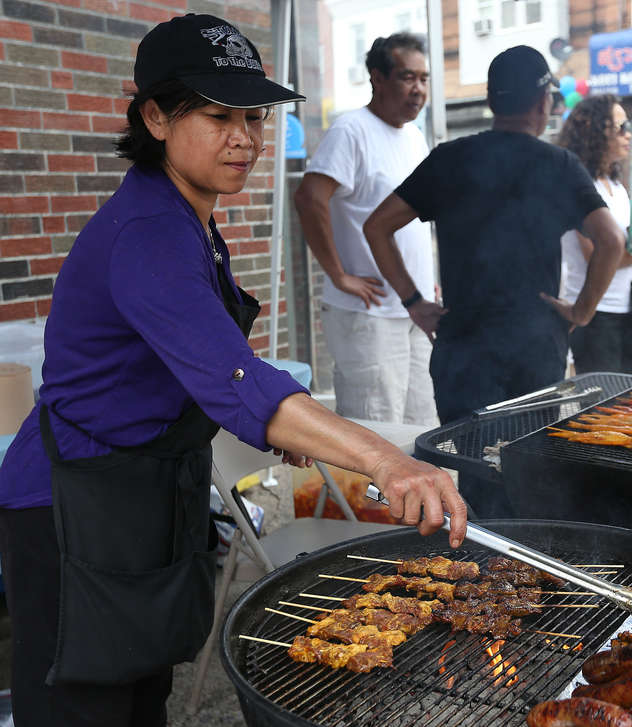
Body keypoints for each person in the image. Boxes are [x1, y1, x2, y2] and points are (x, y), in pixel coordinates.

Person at [0, 15, 466, 726]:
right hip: (71, 506)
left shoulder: (190, 216)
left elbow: (202, 363)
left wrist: (295, 421)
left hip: (142, 491)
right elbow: (236, 377)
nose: (245, 138)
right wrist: (387, 462)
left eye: (253, 116)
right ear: (155, 115)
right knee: (85, 704)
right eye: (219, 115)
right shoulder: (149, 232)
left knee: (139, 689)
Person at [364, 45, 624, 515]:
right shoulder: (558, 165)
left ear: (490, 100)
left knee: (472, 469)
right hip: (535, 346)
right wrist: (581, 311)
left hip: (463, 343)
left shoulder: (450, 159)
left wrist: (414, 301)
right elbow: (612, 240)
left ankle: (476, 561)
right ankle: (526, 566)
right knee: (529, 469)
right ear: (543, 103)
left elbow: (376, 226)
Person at [294, 33, 436, 426]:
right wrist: (338, 275)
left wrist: (429, 281)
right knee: (375, 429)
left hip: (415, 310)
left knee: (421, 426)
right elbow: (309, 198)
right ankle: (355, 494)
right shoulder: (351, 130)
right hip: (368, 315)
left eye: (424, 79)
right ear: (377, 77)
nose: (419, 89)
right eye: (408, 77)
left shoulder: (414, 136)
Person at [556, 94, 632, 374]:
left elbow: (625, 250)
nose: (629, 135)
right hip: (594, 314)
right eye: (621, 127)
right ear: (596, 130)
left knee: (631, 405)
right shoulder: (581, 186)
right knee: (599, 409)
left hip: (629, 310)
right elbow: (595, 256)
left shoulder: (616, 186)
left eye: (629, 127)